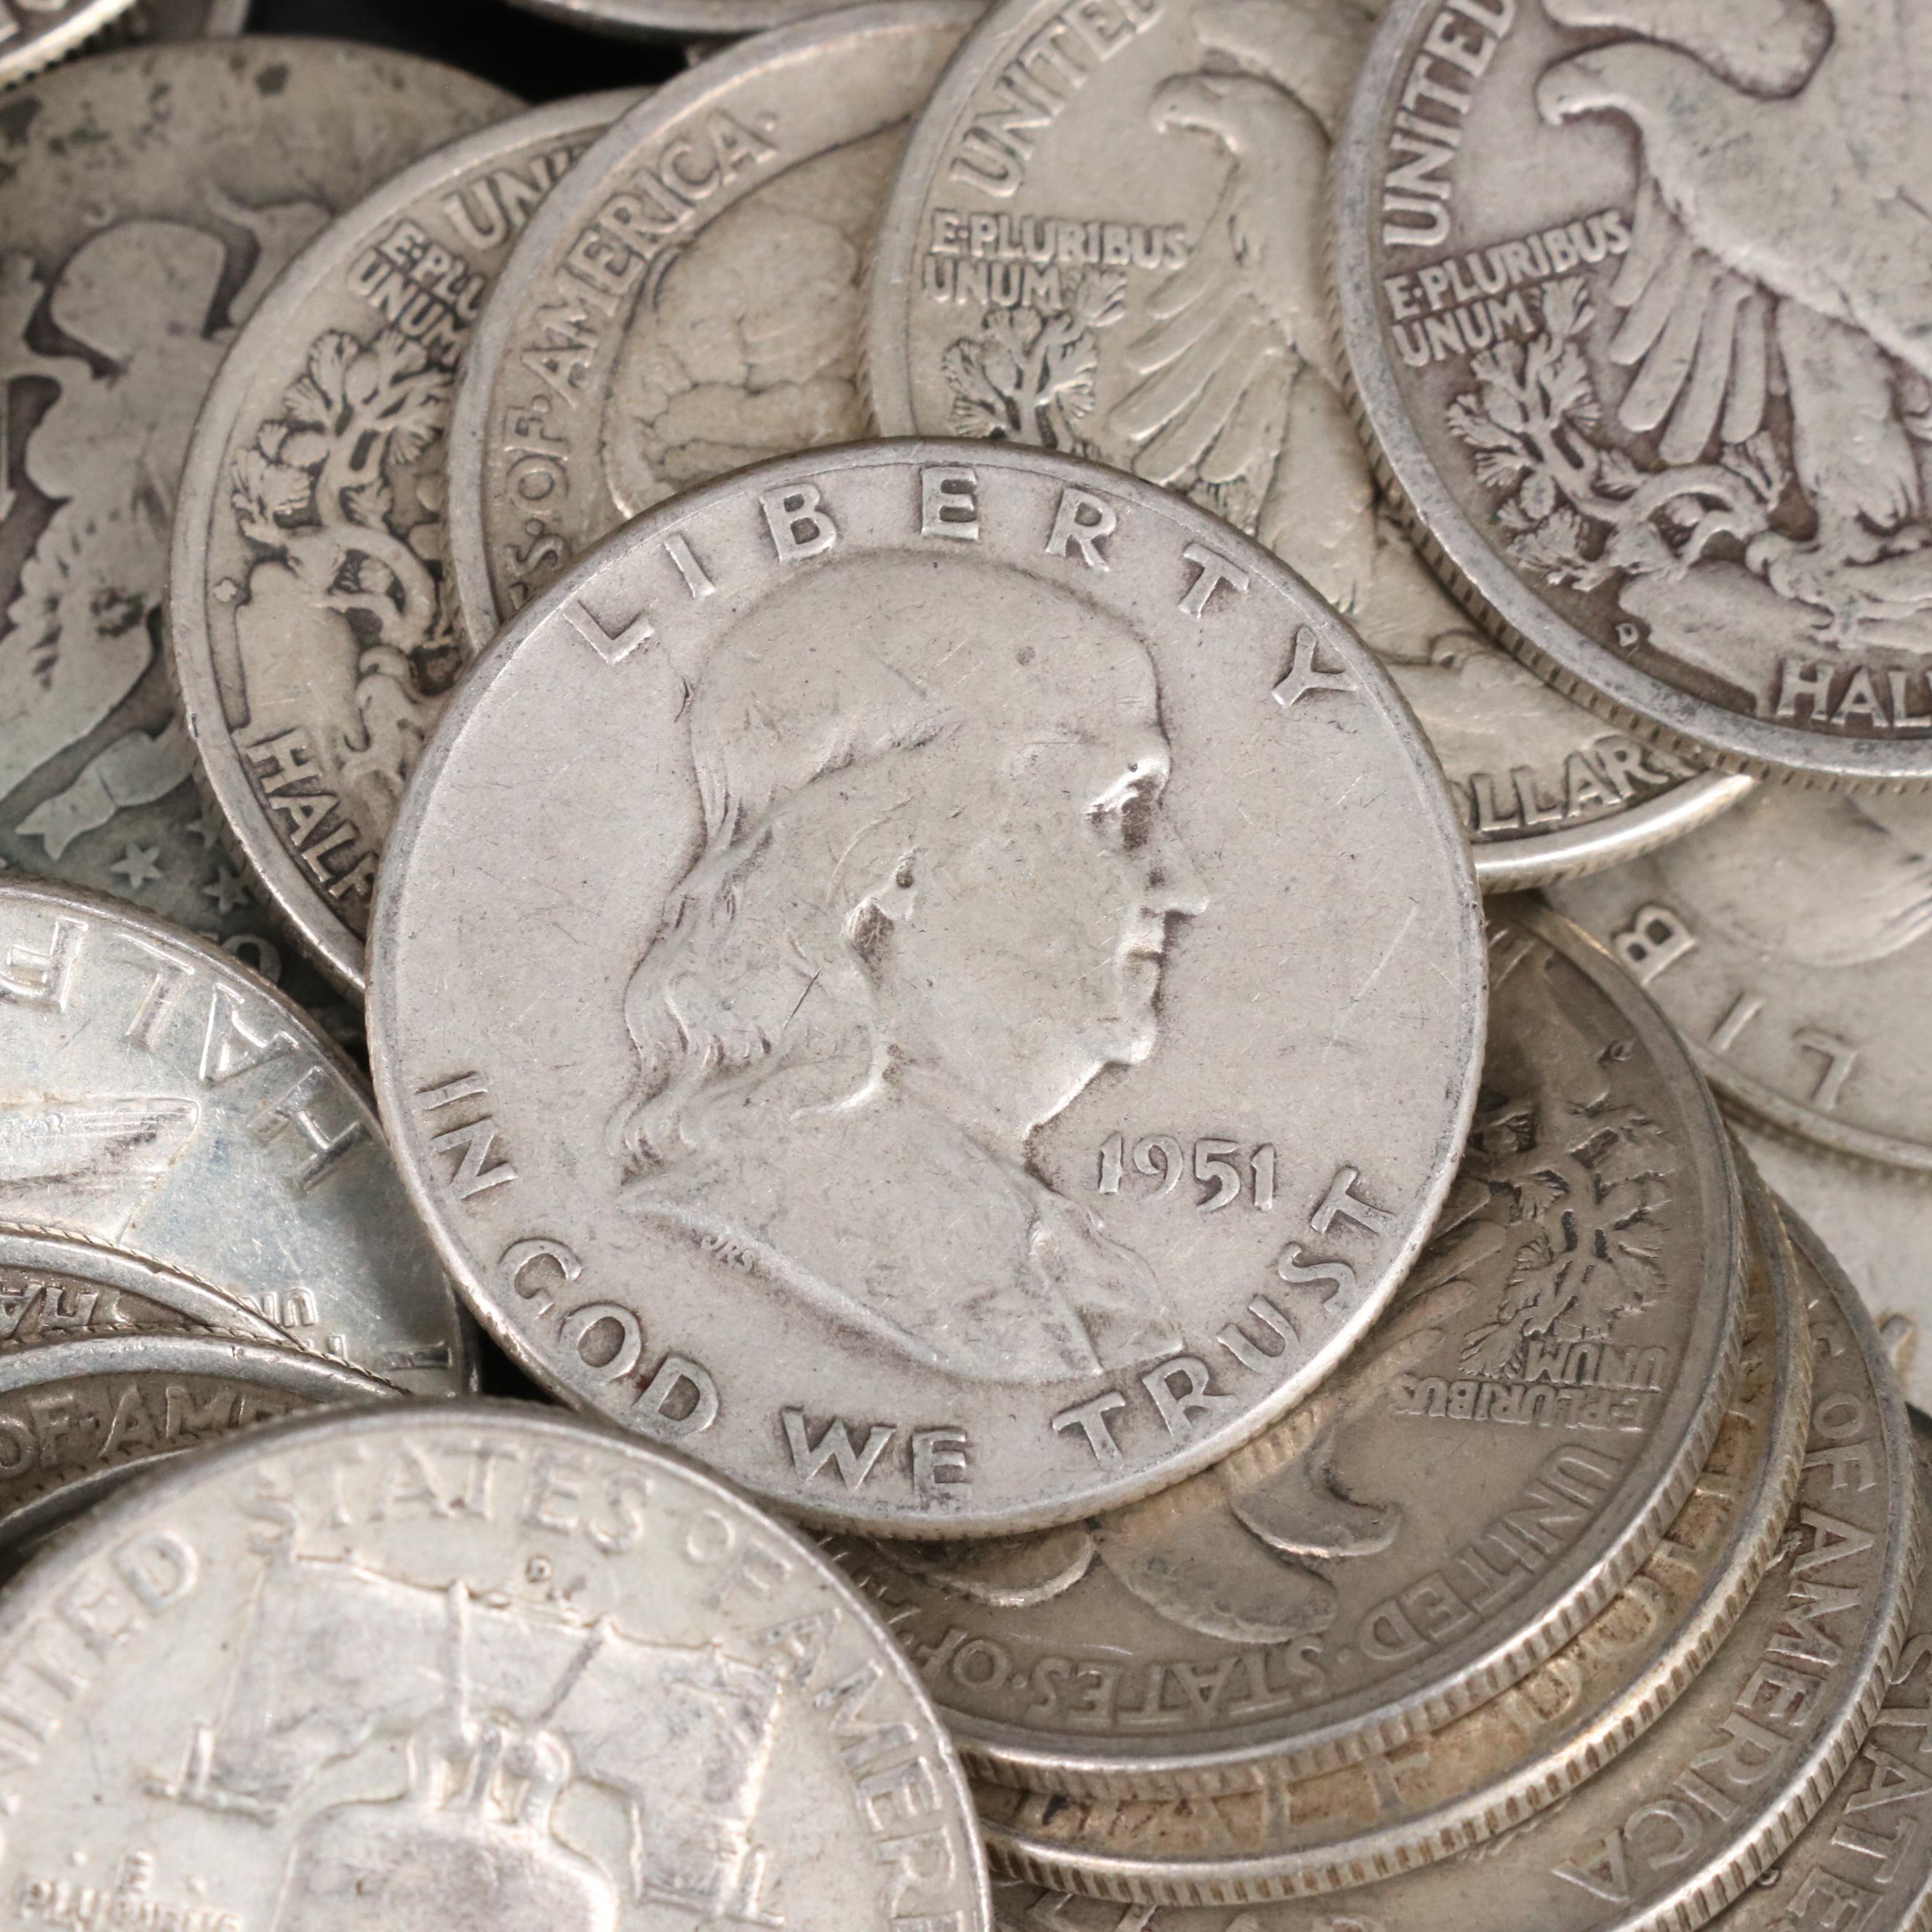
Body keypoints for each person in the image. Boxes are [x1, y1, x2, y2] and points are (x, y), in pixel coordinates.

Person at [614, 554, 1206, 1384]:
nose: (1185, 887)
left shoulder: (1061, 1257)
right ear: (888, 859)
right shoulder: (772, 1230)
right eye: (1113, 813)